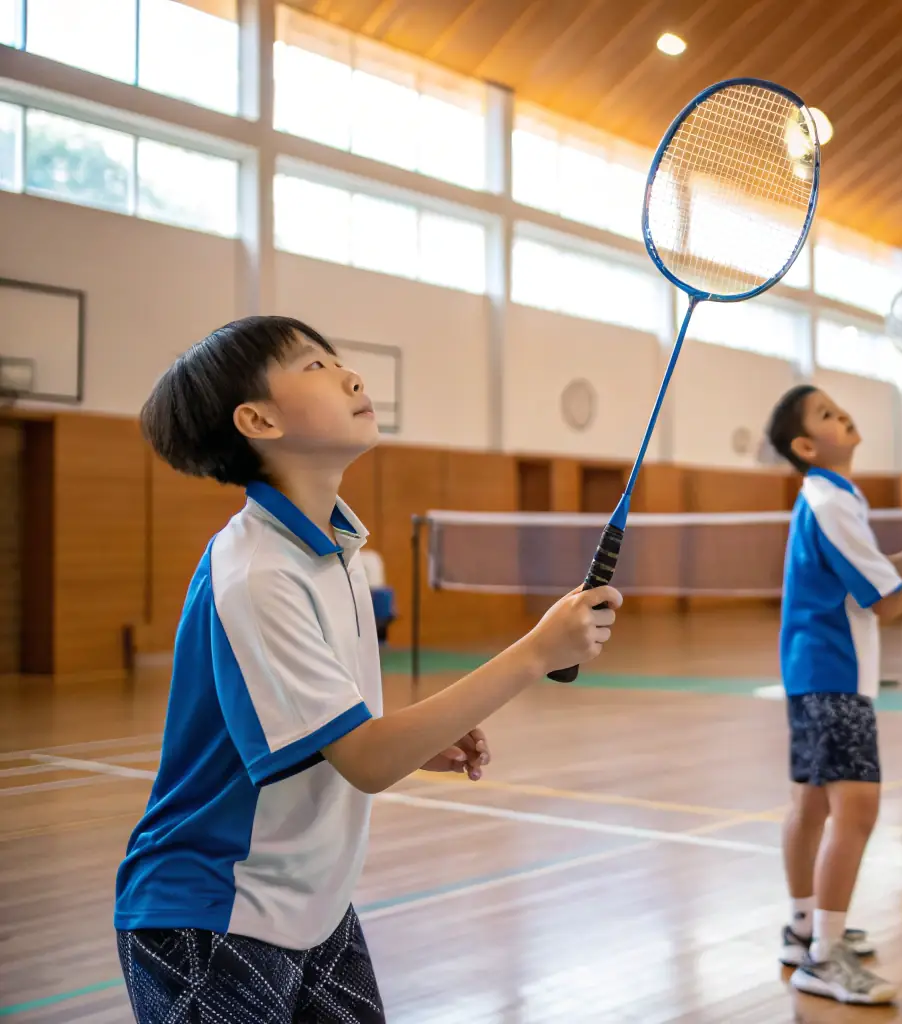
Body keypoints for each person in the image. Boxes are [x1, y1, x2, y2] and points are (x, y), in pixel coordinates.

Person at [114, 316, 620, 1023]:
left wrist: (416, 741)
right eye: (313, 366)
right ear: (257, 419)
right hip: (212, 915)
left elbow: (345, 732)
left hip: (314, 908)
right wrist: (535, 652)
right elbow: (366, 761)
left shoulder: (335, 547)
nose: (349, 374)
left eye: (336, 360)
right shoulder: (257, 573)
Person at [764, 383, 902, 1006]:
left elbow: (877, 571)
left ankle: (803, 928)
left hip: (816, 672)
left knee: (812, 806)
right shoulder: (830, 502)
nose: (844, 415)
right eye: (828, 415)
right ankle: (825, 958)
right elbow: (887, 601)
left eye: (840, 407)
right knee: (856, 810)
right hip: (834, 673)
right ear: (807, 445)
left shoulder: (834, 498)